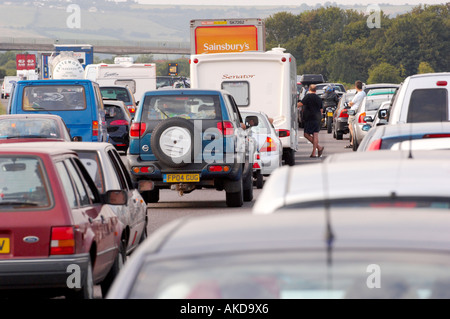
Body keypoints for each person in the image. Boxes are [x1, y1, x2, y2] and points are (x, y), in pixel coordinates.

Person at [298, 84, 324, 158]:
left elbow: (300, 104)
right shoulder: (319, 98)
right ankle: (317, 149)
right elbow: (321, 110)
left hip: (309, 118)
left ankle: (316, 151)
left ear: (309, 89)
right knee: (315, 135)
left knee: (306, 134)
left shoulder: (307, 97)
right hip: (317, 118)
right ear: (316, 90)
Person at [346, 80, 366, 149]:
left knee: (351, 127)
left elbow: (352, 103)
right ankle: (352, 142)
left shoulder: (358, 94)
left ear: (356, 87)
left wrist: (348, 104)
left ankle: (354, 140)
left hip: (353, 111)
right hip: (359, 110)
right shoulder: (363, 93)